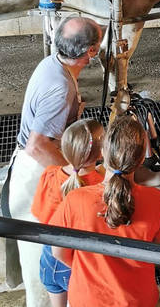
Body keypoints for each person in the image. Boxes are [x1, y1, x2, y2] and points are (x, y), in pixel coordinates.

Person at [3, 16, 102, 307]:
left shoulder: (52, 63)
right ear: (91, 52)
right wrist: (74, 173)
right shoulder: (60, 88)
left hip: (31, 168)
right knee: (40, 267)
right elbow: (37, 145)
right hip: (37, 174)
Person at [50, 116, 160, 307]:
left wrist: (89, 270)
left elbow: (59, 253)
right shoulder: (155, 200)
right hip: (137, 299)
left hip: (88, 299)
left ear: (103, 153)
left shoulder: (75, 200)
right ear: (141, 159)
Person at [31, 119, 105, 307]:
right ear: (102, 152)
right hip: (77, 261)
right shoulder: (101, 184)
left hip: (48, 257)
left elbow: (39, 213)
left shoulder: (50, 174)